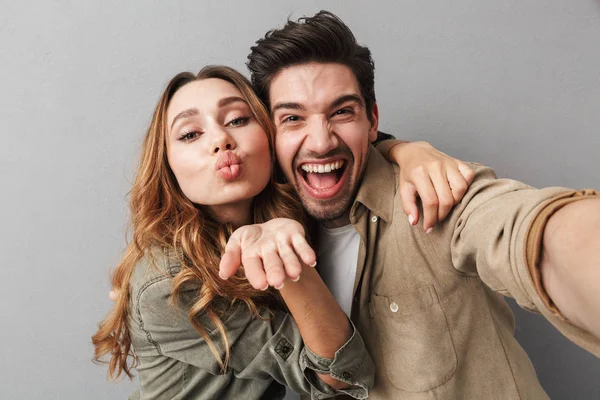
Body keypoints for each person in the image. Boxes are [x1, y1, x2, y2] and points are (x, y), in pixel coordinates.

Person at [219, 11, 600, 399]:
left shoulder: (433, 192)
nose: (320, 141)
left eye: (342, 112)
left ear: (372, 120)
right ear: (271, 132)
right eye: (293, 118)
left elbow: (516, 229)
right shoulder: (262, 231)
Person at [92, 65, 474, 399]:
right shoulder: (169, 282)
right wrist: (289, 265)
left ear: (271, 138)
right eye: (190, 134)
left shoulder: (299, 205)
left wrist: (409, 152)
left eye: (238, 120)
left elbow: (341, 148)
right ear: (168, 165)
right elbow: (340, 374)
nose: (221, 140)